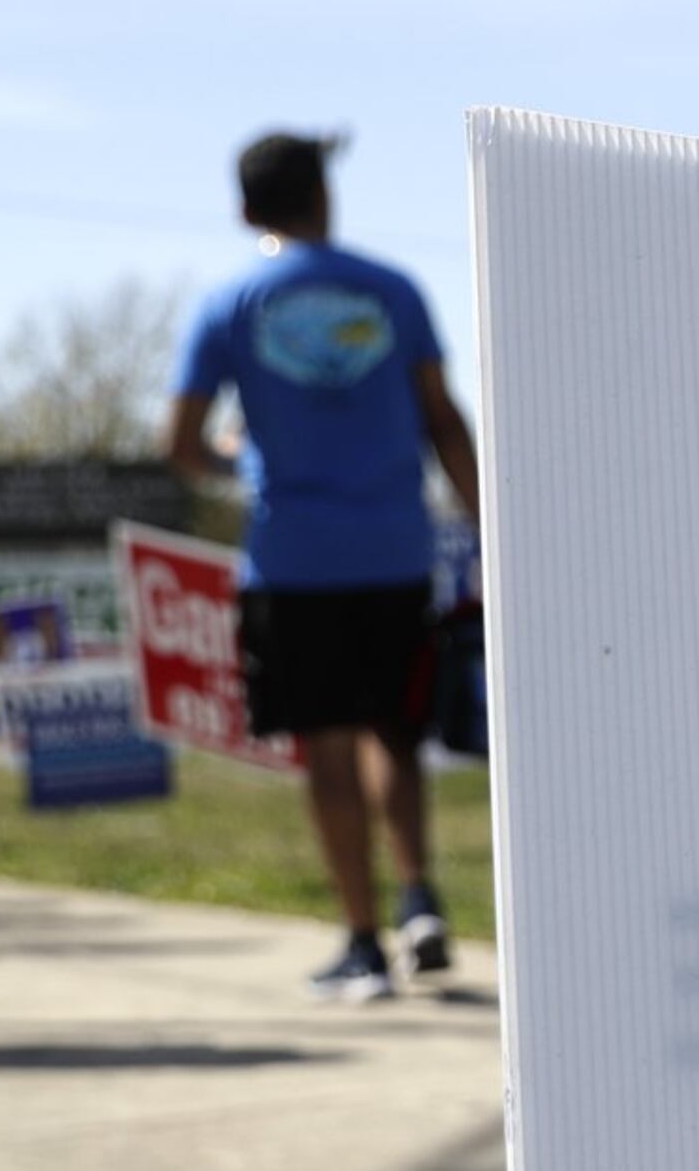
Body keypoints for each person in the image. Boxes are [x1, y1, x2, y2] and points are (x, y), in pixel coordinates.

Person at [166, 130, 481, 1002]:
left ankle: (362, 943)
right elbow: (444, 420)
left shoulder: (229, 303)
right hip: (395, 548)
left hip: (292, 557)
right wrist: (490, 523)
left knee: (328, 746)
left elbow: (182, 444)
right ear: (323, 197)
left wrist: (239, 460)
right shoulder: (393, 289)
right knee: (395, 731)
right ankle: (420, 897)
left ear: (244, 209)